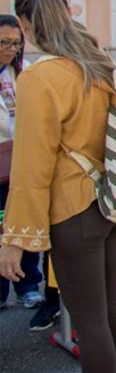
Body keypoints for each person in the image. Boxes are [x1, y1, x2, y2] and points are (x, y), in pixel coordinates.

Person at [0, 0, 116, 373]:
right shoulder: (100, 63)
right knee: (111, 308)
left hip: (73, 206)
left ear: (24, 23)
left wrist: (15, 238)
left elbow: (32, 164)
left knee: (90, 319)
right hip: (112, 197)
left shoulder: (41, 76)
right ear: (67, 11)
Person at [0, 15, 43, 310]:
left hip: (22, 161)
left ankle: (27, 284)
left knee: (24, 222)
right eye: (4, 42)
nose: (10, 49)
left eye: (16, 43)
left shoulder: (24, 73)